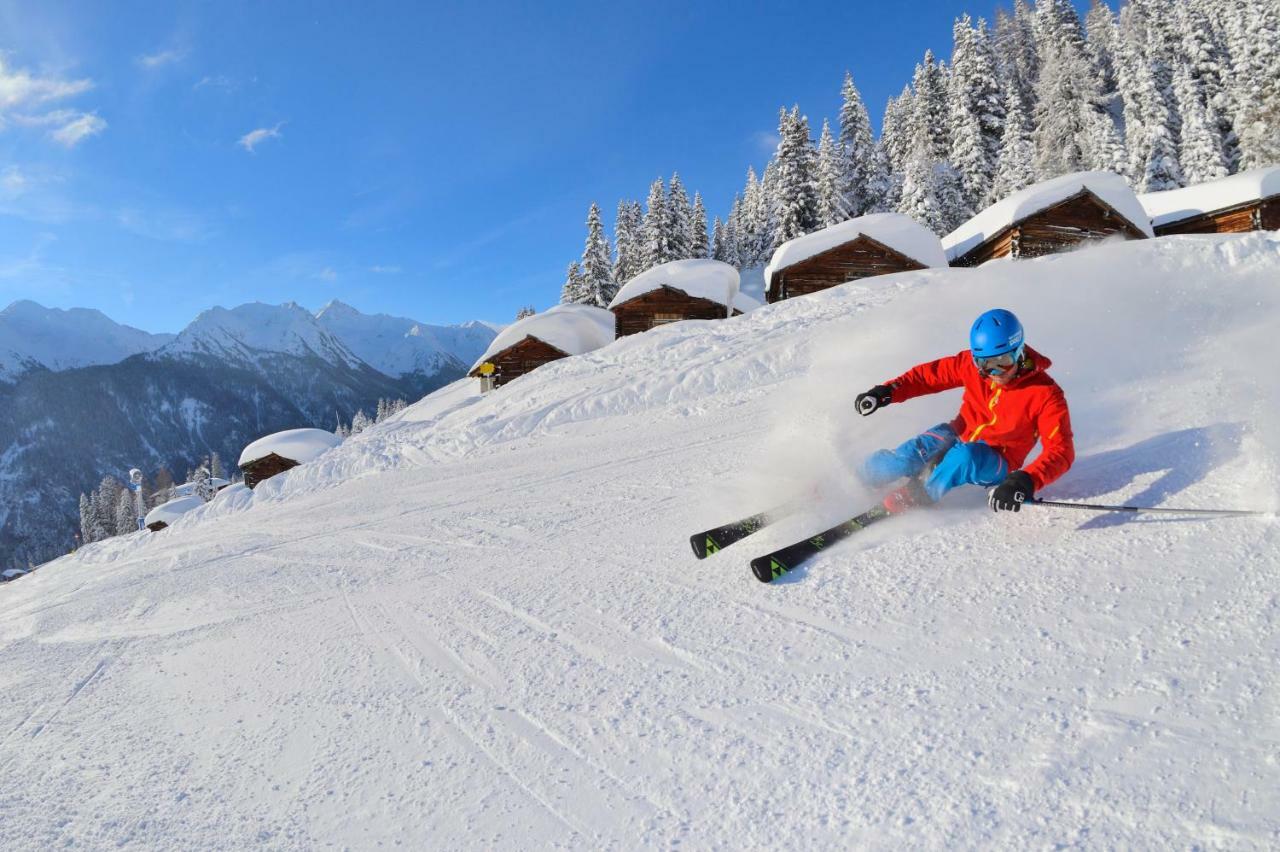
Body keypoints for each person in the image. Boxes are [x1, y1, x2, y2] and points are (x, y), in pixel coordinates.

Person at [854, 308, 1074, 514]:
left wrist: (1025, 480)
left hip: (996, 460)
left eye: (1004, 362)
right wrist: (888, 391)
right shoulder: (970, 367)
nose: (995, 372)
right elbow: (927, 377)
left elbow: (1061, 451)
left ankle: (918, 495)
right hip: (958, 436)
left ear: (1019, 352)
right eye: (985, 364)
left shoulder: (1046, 394)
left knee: (965, 456)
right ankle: (856, 479)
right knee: (909, 456)